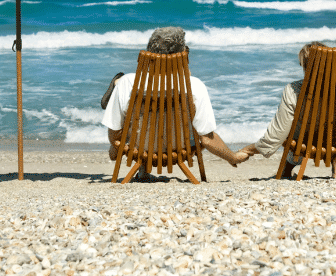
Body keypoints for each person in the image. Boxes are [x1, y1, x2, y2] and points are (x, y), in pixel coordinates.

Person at [235, 33, 336, 176]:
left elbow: (275, 138)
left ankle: (289, 165)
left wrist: (247, 150)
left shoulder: (293, 90)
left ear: (305, 66)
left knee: (294, 129)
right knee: (334, 126)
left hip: (306, 144)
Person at [100, 27, 243, 176]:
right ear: (183, 55)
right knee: (190, 123)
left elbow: (114, 135)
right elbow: (207, 139)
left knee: (127, 122)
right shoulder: (194, 85)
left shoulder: (129, 82)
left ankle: (116, 82)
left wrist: (116, 148)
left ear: (149, 53)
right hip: (179, 148)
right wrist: (233, 157)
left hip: (139, 148)